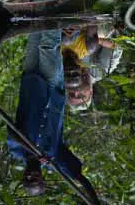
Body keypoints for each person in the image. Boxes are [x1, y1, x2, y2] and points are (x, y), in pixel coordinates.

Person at [7, 29, 99, 201]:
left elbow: (13, 133)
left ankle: (38, 4)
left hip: (30, 81)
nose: (30, 176)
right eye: (34, 180)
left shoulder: (16, 150)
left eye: (27, 180)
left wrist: (32, 150)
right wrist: (94, 200)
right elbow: (79, 177)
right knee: (50, 39)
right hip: (52, 87)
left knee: (36, 31)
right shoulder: (54, 157)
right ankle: (52, 2)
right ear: (42, 178)